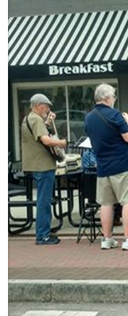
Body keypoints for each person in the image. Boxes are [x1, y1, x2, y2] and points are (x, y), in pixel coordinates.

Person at [84, 84, 128, 251]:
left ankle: (107, 238)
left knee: (106, 203)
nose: (114, 100)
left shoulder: (89, 118)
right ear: (107, 98)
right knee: (127, 201)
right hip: (121, 165)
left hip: (102, 166)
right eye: (114, 97)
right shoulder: (115, 115)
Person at [21, 93, 67, 245]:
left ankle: (43, 232)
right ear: (39, 105)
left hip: (36, 165)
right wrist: (61, 142)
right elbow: (45, 139)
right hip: (43, 165)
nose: (47, 109)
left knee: (43, 200)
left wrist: (48, 122)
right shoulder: (35, 119)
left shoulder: (29, 118)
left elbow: (40, 133)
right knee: (44, 201)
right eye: (46, 107)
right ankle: (43, 235)